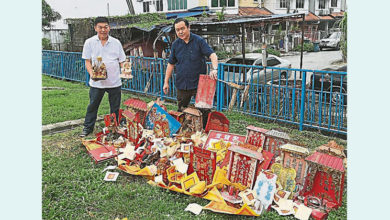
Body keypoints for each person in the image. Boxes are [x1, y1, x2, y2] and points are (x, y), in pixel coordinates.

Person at [80, 16, 126, 137]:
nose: (103, 30)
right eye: (100, 27)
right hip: (97, 82)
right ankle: (87, 128)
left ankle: (114, 127)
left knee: (115, 107)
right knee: (93, 105)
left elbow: (122, 60)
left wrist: (125, 70)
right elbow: (87, 61)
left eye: (106, 27)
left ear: (109, 28)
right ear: (95, 28)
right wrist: (92, 74)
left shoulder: (116, 43)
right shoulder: (89, 42)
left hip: (114, 81)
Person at [163, 18, 218, 113]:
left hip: (200, 83)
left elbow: (212, 55)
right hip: (182, 84)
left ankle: (204, 128)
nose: (180, 32)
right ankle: (184, 127)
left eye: (182, 28)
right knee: (181, 110)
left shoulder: (199, 41)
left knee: (204, 110)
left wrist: (214, 69)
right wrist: (166, 82)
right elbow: (171, 64)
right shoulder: (175, 45)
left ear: (188, 27)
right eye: (177, 30)